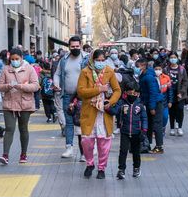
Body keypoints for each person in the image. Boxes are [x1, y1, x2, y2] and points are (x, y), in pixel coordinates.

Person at [77, 49, 122, 178]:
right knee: (86, 141)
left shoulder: (110, 71)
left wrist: (110, 102)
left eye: (103, 60)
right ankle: (90, 164)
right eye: (98, 60)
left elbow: (117, 90)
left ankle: (102, 168)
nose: (100, 63)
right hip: (89, 111)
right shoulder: (85, 72)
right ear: (93, 60)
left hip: (104, 112)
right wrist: (99, 89)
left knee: (104, 143)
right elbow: (81, 91)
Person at [0, 47, 40, 164]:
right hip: (9, 103)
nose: (14, 61)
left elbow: (36, 85)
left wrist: (21, 86)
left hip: (25, 103)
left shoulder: (29, 69)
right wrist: (8, 86)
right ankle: (5, 155)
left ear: (21, 58)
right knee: (9, 128)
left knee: (23, 128)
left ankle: (23, 154)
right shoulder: (6, 69)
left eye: (17, 59)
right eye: (12, 59)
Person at [53, 35, 88, 159]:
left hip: (82, 97)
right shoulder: (64, 60)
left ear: (81, 45)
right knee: (68, 123)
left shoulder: (87, 59)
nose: (75, 48)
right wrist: (56, 83)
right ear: (69, 47)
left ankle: (84, 153)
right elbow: (57, 74)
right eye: (72, 46)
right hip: (67, 95)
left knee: (81, 124)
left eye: (77, 46)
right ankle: (69, 148)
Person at [116, 83, 148, 179]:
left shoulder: (140, 105)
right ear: (126, 92)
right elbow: (115, 111)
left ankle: (136, 168)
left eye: (134, 93)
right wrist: (108, 107)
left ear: (138, 94)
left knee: (136, 152)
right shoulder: (122, 103)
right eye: (130, 93)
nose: (132, 95)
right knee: (123, 151)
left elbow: (144, 118)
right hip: (125, 131)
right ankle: (121, 170)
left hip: (136, 132)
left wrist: (144, 130)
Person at [137, 58, 165, 153]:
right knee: (149, 124)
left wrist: (152, 107)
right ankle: (147, 144)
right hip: (149, 103)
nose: (136, 68)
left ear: (143, 66)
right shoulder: (144, 75)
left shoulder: (148, 77)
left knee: (157, 125)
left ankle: (159, 146)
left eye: (137, 66)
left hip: (155, 103)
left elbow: (153, 92)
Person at [166, 52, 188, 136]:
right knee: (171, 110)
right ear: (169, 58)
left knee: (180, 109)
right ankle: (172, 128)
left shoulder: (182, 69)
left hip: (180, 94)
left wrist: (182, 92)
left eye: (174, 57)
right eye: (171, 57)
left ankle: (179, 127)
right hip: (170, 93)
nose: (173, 59)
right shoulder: (166, 69)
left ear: (177, 58)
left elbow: (185, 81)